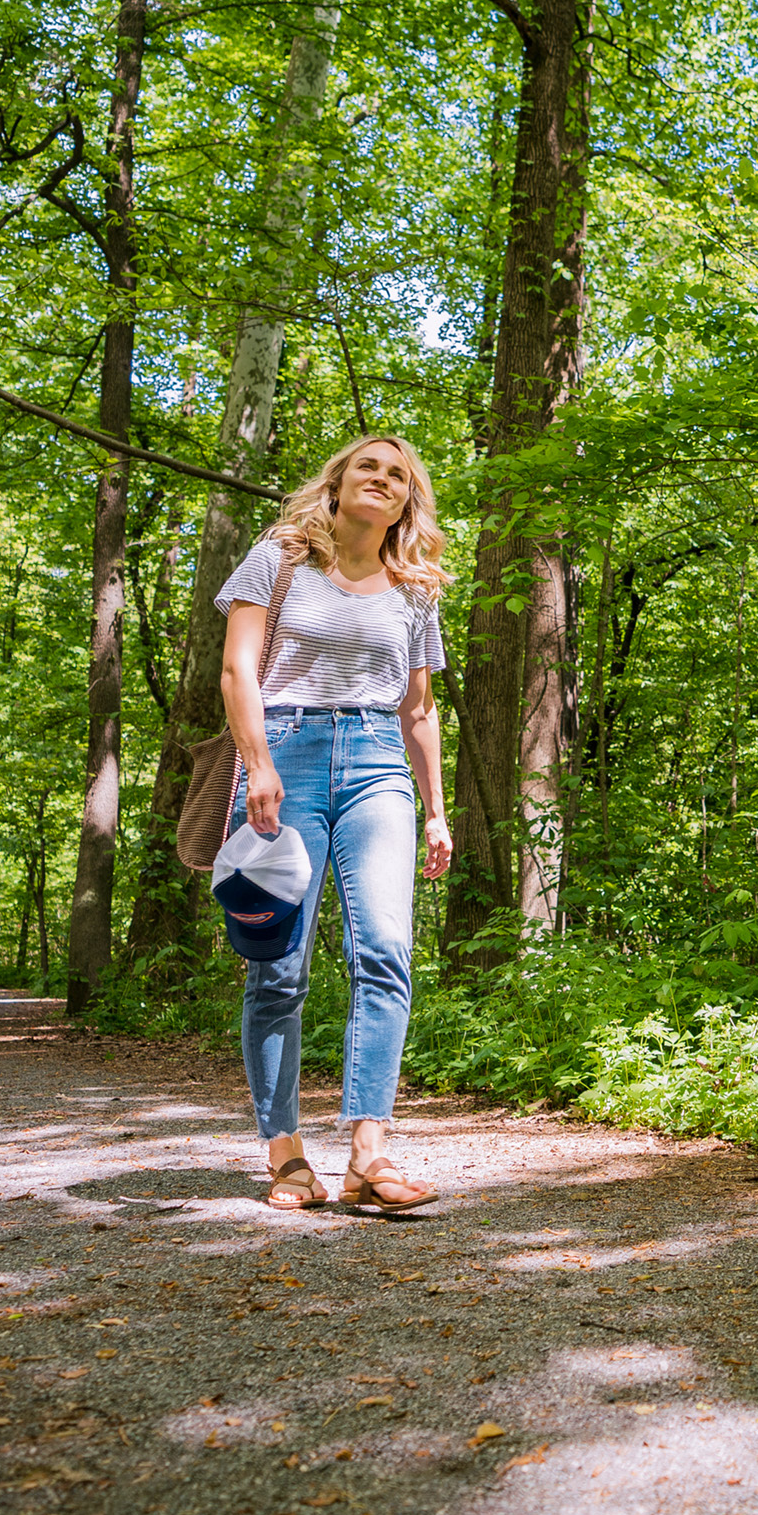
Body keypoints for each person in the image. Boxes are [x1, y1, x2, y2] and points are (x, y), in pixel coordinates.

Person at [215, 433, 453, 1211]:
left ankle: (367, 1154)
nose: (380, 479)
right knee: (278, 964)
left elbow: (418, 708)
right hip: (287, 748)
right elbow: (237, 668)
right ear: (340, 481)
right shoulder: (279, 558)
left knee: (385, 949)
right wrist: (260, 765)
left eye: (396, 474)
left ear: (406, 498)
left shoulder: (415, 587)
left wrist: (437, 811)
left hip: (380, 761)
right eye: (367, 467)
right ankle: (285, 1154)